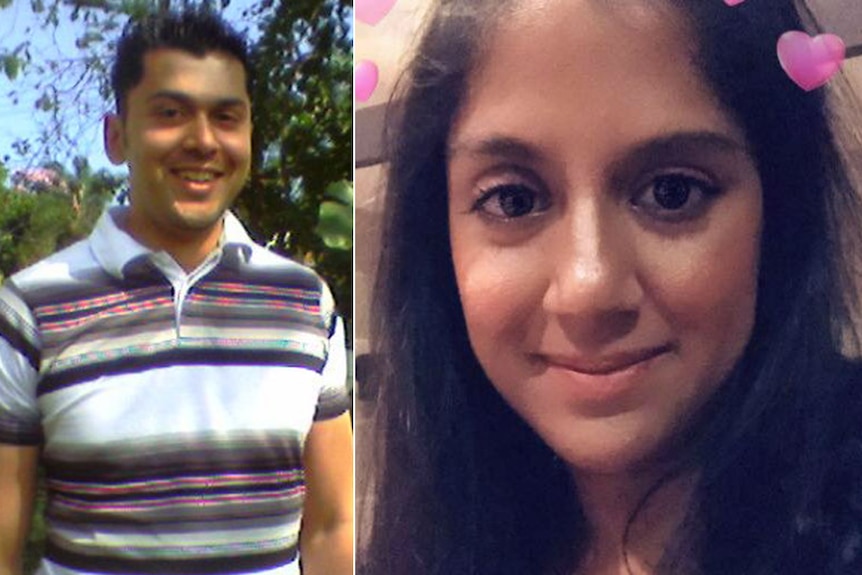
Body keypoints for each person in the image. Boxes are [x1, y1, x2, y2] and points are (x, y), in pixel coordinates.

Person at [359, 1, 862, 574]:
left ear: (780, 209)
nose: (588, 288)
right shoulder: (425, 540)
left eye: (673, 192)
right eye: (513, 200)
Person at [0, 7, 353, 575]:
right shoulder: (31, 308)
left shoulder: (307, 304)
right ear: (117, 137)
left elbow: (334, 527)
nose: (203, 141)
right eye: (170, 113)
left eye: (226, 117)